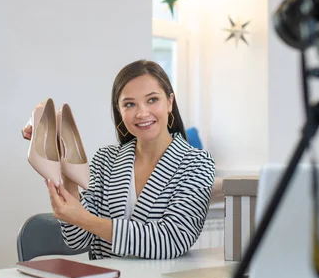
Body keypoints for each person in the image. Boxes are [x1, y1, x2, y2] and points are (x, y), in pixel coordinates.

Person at [22, 60, 215, 259]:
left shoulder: (197, 164)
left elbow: (172, 240)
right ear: (119, 110)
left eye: (152, 100)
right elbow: (77, 240)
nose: (142, 113)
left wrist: (85, 219)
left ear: (169, 102)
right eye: (130, 104)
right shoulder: (106, 160)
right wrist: (68, 182)